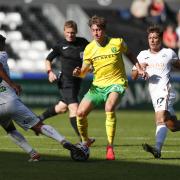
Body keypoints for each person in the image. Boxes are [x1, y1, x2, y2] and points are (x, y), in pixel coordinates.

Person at [0, 34, 84, 161]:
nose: (5, 46)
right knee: (38, 125)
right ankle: (65, 143)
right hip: (10, 99)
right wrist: (12, 84)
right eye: (3, 44)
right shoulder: (2, 55)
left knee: (9, 129)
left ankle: (32, 153)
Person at [73, 15, 145, 160]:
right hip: (97, 87)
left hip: (116, 83)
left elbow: (130, 53)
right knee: (79, 113)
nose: (96, 33)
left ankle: (110, 147)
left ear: (104, 30)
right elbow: (84, 72)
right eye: (93, 30)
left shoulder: (117, 42)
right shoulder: (89, 49)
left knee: (109, 107)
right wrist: (78, 72)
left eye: (98, 30)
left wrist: (138, 66)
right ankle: (85, 141)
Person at [38, 20, 95, 144]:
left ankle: (37, 120)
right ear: (64, 32)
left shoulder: (83, 43)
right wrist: (49, 72)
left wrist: (90, 68)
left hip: (77, 82)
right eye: (68, 32)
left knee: (61, 108)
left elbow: (92, 58)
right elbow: (48, 59)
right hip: (65, 82)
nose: (70, 35)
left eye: (73, 33)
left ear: (76, 32)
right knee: (74, 110)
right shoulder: (60, 45)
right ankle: (83, 140)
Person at [131, 25, 180, 158]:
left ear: (161, 39)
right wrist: (139, 69)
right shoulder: (142, 55)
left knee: (160, 119)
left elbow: (178, 65)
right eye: (150, 38)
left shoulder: (169, 53)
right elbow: (134, 76)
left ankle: (157, 149)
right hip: (154, 93)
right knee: (173, 126)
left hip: (166, 90)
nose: (152, 40)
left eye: (155, 38)